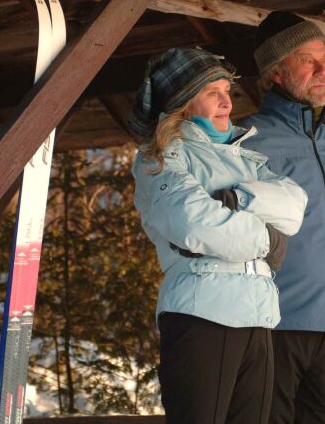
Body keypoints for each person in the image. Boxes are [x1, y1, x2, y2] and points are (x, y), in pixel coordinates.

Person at [129, 48, 308, 424]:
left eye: (227, 90)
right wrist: (268, 241)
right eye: (213, 92)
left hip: (258, 316)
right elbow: (196, 224)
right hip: (202, 314)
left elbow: (294, 207)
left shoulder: (245, 157)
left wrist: (238, 199)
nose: (227, 101)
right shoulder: (160, 157)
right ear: (182, 105)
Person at [238, 12, 325, 424]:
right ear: (275, 72)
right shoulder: (248, 141)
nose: (323, 71)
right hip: (274, 323)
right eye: (308, 61)